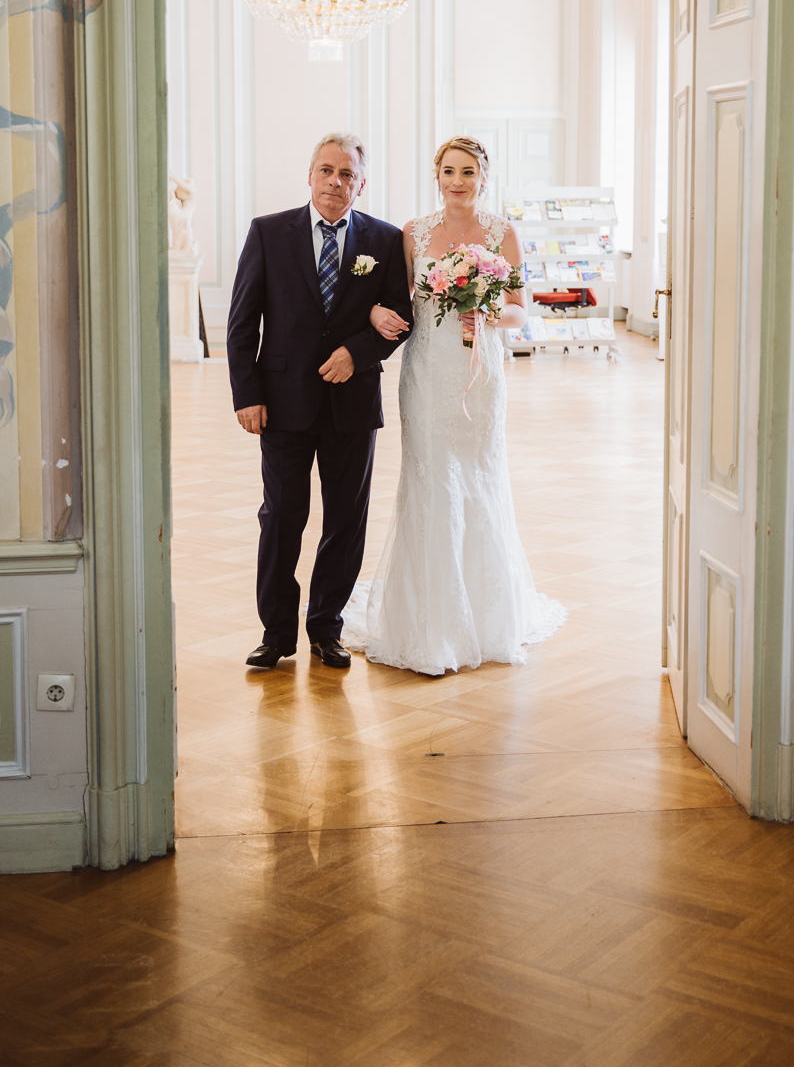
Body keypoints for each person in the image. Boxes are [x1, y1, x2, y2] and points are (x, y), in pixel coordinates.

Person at [342, 135, 565, 676]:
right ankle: (428, 621)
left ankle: (484, 615)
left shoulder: (500, 232)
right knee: (431, 480)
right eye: (449, 171)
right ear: (436, 176)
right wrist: (376, 314)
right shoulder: (413, 234)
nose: (458, 181)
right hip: (426, 373)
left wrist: (488, 310)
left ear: (483, 179)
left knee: (479, 478)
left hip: (480, 373)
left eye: (468, 172)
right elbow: (396, 299)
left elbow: (520, 311)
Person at [226, 132, 413, 671]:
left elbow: (400, 318)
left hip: (352, 405)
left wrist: (359, 349)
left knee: (346, 520)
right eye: (327, 171)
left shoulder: (384, 238)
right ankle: (276, 631)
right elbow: (241, 323)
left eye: (347, 174)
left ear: (361, 182)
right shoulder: (268, 233)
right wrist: (247, 394)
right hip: (281, 403)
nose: (336, 182)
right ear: (309, 176)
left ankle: (326, 628)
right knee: (282, 516)